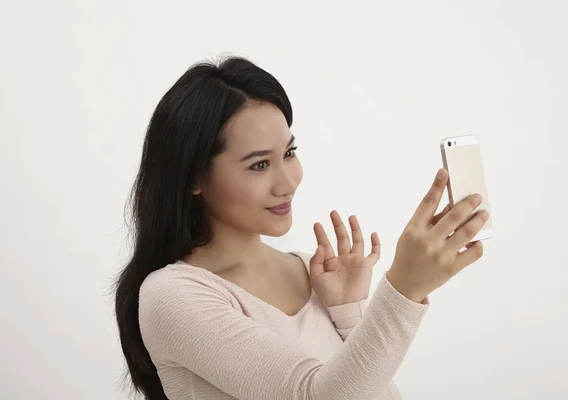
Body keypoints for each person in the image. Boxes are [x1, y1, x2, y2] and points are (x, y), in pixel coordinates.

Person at [114, 56, 489, 400]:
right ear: (194, 176)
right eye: (260, 165)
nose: (288, 182)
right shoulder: (172, 296)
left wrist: (350, 312)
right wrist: (404, 288)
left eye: (290, 154)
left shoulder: (313, 270)